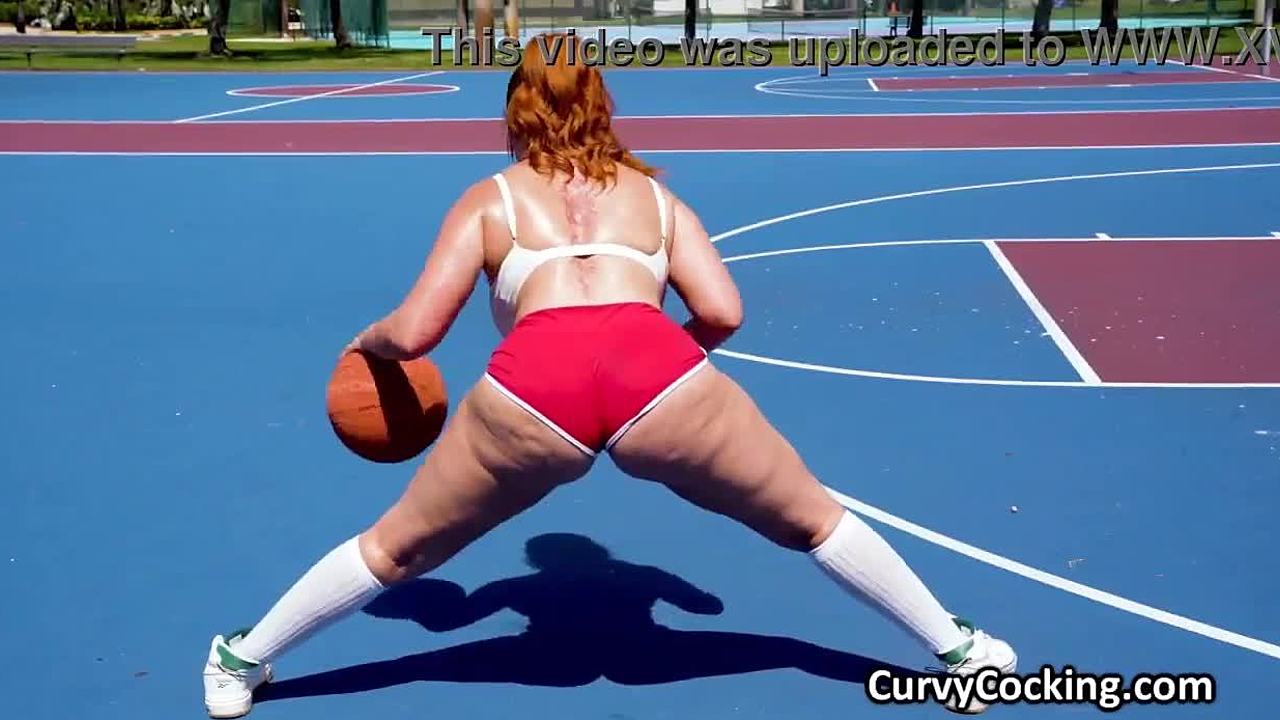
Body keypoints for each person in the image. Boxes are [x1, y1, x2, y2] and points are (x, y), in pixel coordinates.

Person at [201, 32, 1016, 719]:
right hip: (655, 369)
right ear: (603, 103)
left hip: (535, 388)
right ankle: (961, 652)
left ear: (514, 113)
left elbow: (415, 332)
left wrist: (367, 344)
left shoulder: (490, 199)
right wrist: (662, 378)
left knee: (397, 548)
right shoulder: (656, 200)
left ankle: (240, 663)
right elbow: (723, 311)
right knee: (812, 521)